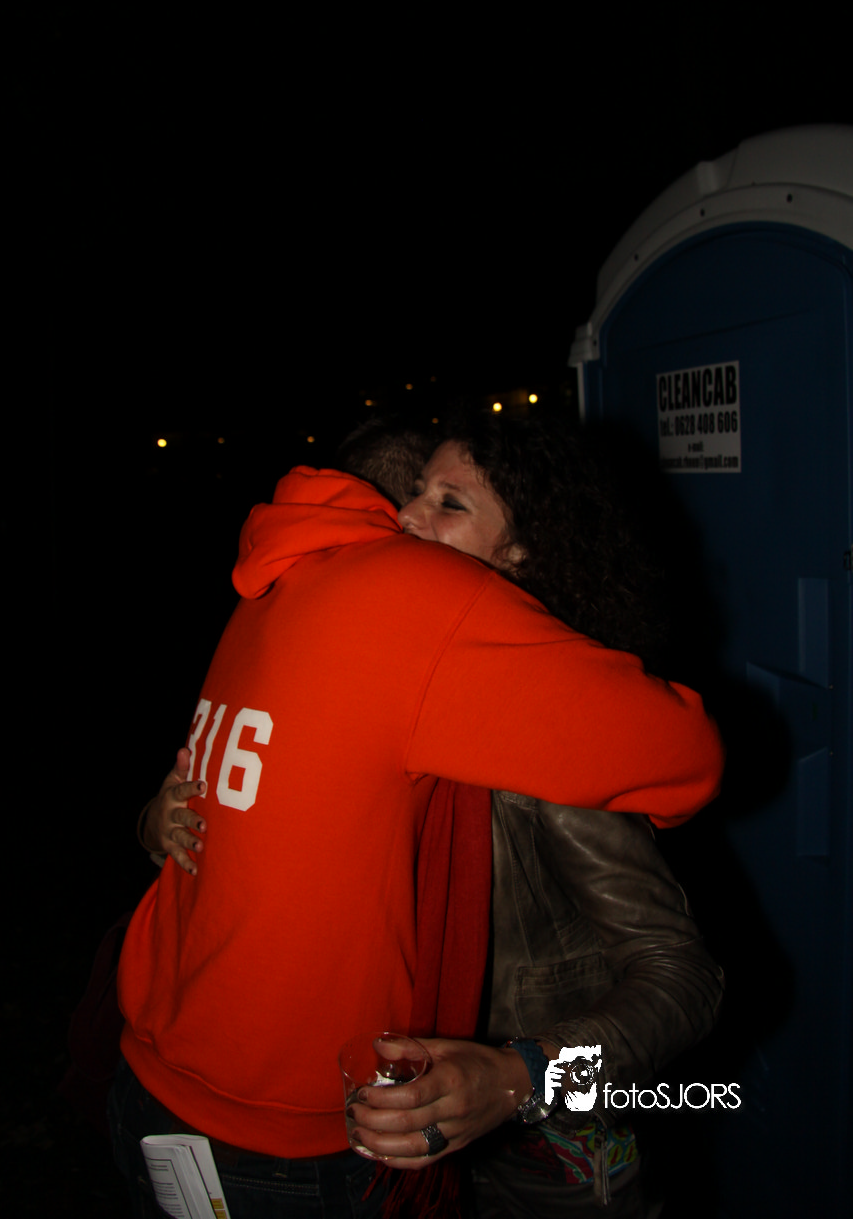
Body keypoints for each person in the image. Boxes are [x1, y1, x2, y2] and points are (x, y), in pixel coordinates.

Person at [111, 419, 723, 1218]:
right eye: (412, 495)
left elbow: (683, 977)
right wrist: (156, 821)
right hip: (349, 1129)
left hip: (540, 1155)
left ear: (520, 553)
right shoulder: (374, 634)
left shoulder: (554, 746)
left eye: (449, 503)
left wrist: (524, 1077)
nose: (406, 519)